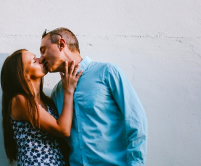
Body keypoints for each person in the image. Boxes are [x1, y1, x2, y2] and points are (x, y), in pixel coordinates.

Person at [39, 28, 148, 166]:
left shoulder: (107, 73)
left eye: (44, 50)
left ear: (61, 44)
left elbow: (136, 120)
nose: (41, 58)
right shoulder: (57, 93)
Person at [1, 48, 83, 166]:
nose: (41, 59)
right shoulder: (20, 101)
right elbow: (63, 130)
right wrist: (69, 91)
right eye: (34, 61)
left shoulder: (47, 102)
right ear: (24, 75)